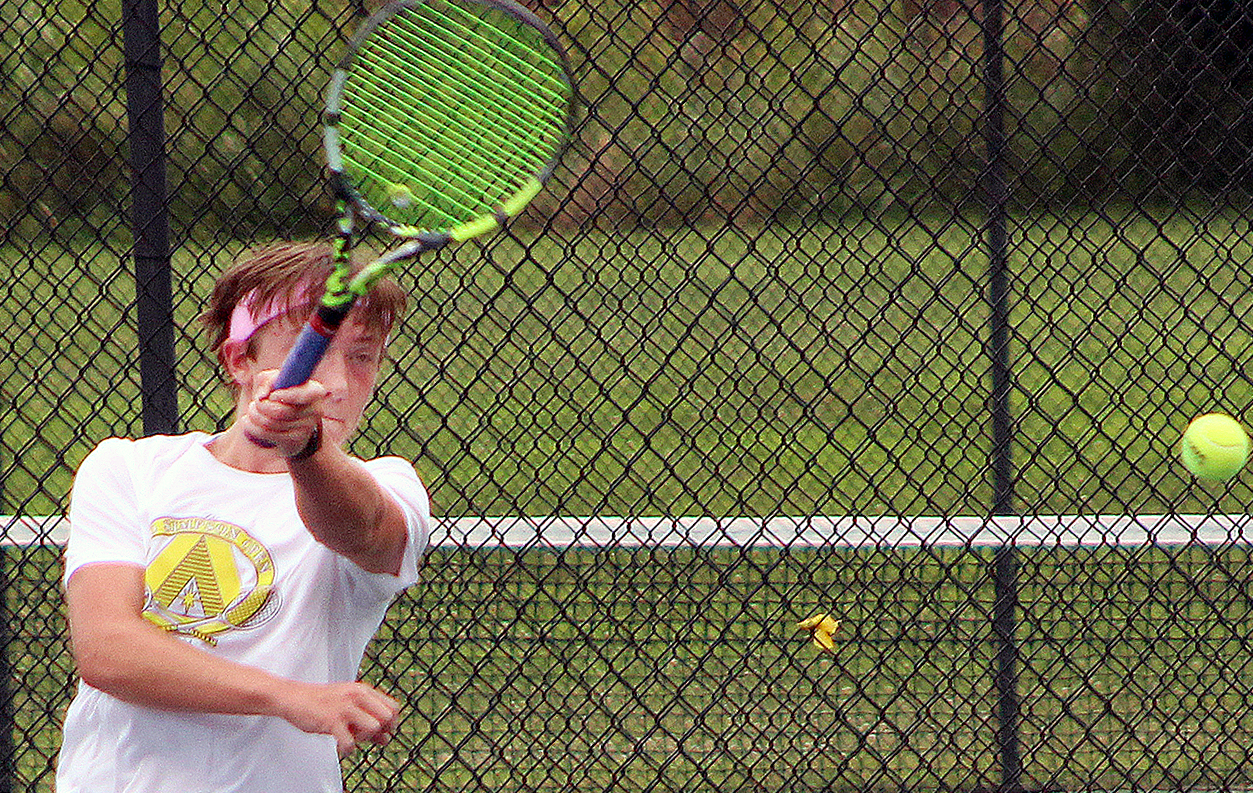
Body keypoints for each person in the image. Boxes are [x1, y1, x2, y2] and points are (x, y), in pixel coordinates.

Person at [56, 240, 430, 792]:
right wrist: (291, 698)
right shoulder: (128, 468)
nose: (341, 384)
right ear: (240, 360)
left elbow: (365, 527)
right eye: (316, 348)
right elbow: (108, 651)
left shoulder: (389, 486)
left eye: (362, 355)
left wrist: (305, 448)